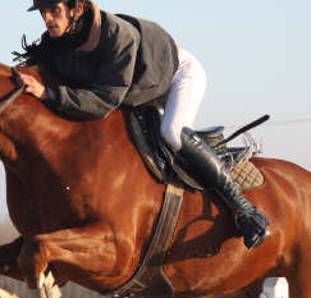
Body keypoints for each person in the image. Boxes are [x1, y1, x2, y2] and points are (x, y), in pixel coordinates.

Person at [17, 0, 269, 248]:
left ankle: (243, 209)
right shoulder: (59, 38)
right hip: (139, 91)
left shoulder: (117, 35)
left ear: (77, 9)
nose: (47, 18)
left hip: (177, 76)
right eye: (43, 11)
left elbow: (105, 100)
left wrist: (47, 93)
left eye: (54, 10)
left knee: (171, 132)